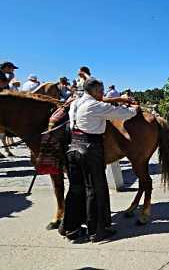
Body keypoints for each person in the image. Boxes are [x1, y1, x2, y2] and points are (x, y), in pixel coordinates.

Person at [61, 78, 138, 242]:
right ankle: (96, 230)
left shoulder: (75, 103)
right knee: (95, 189)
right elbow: (122, 114)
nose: (103, 94)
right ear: (94, 91)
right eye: (101, 91)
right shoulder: (95, 105)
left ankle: (70, 227)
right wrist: (134, 109)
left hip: (73, 147)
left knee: (75, 188)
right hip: (90, 149)